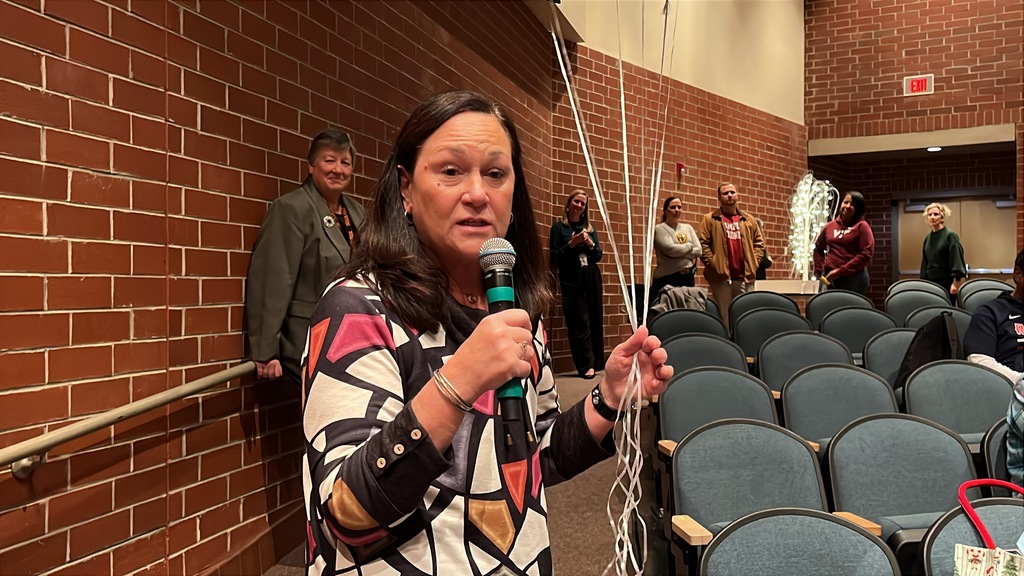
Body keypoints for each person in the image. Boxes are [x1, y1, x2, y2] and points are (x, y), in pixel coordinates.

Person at [300, 90, 672, 575]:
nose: (477, 193)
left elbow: (532, 460)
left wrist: (607, 398)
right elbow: (346, 515)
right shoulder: (356, 310)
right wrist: (456, 385)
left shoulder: (515, 311)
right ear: (406, 189)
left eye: (495, 174)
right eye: (451, 171)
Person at [246, 128, 366, 384]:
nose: (338, 169)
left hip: (351, 337)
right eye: (329, 160)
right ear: (311, 166)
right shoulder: (291, 209)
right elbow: (273, 280)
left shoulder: (357, 213)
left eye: (345, 162)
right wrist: (265, 350)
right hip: (305, 340)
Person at [549, 190, 605, 379]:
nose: (579, 205)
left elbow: (598, 256)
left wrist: (589, 242)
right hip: (571, 278)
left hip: (590, 275)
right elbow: (555, 257)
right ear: (569, 203)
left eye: (583, 203)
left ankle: (596, 363)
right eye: (576, 201)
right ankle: (585, 366)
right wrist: (571, 244)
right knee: (578, 321)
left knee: (594, 317)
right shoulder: (559, 228)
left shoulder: (590, 228)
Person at [697, 182, 764, 329]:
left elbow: (759, 244)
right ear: (719, 197)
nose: (729, 196)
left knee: (745, 316)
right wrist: (714, 264)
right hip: (722, 278)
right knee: (725, 318)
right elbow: (703, 244)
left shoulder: (748, 220)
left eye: (732, 192)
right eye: (725, 193)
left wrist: (754, 263)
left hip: (745, 277)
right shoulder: (710, 219)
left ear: (737, 195)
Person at [963, 248, 1024, 385]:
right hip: (1009, 392)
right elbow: (979, 360)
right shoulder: (989, 313)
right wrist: (1020, 381)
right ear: (1018, 274)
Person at [813, 191, 874, 295]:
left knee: (847, 308)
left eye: (852, 204)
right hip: (829, 277)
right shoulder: (830, 226)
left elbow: (866, 253)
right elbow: (818, 248)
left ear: (858, 209)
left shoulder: (862, 226)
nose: (848, 206)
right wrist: (820, 269)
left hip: (853, 277)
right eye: (845, 202)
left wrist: (840, 271)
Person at [650, 196, 701, 299]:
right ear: (665, 211)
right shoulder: (660, 229)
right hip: (667, 278)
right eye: (673, 207)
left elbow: (699, 250)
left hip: (687, 277)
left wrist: (680, 251)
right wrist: (689, 246)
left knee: (687, 308)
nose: (677, 210)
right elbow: (671, 250)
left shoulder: (688, 228)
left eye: (679, 207)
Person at [919, 202, 967, 303]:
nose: (932, 217)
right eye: (930, 215)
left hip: (947, 281)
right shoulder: (928, 238)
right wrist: (923, 282)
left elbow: (956, 257)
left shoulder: (950, 236)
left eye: (936, 214)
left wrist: (956, 282)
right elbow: (925, 263)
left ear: (942, 217)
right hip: (931, 282)